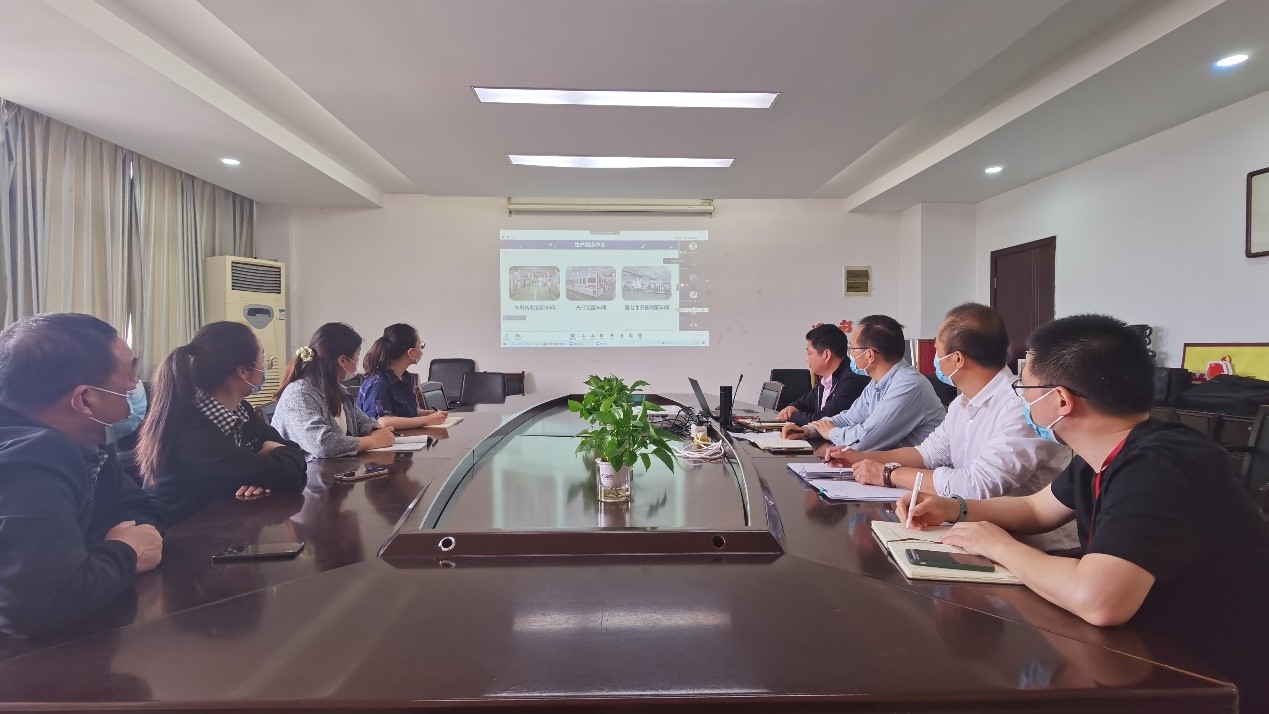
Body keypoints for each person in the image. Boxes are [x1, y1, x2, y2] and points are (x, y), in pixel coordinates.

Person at [898, 314, 1269, 711]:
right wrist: (955, 508)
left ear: (1061, 400)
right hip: (1146, 649)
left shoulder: (1159, 464)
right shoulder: (1102, 455)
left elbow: (1100, 601)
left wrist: (998, 546)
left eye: (1025, 388)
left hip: (1216, 676)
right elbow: (1035, 508)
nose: (1021, 399)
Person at [833, 303, 1075, 550]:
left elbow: (977, 486)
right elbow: (926, 454)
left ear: (957, 359)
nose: (935, 359)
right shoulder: (961, 404)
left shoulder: (1019, 406)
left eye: (937, 351)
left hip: (1038, 548)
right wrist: (861, 458)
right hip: (978, 536)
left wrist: (887, 474)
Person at [0, 313, 164, 637]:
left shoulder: (88, 440)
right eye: (129, 374)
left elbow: (145, 511)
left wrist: (90, 559)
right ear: (85, 400)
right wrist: (125, 553)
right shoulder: (32, 457)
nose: (136, 385)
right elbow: (43, 603)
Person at [134, 322, 308, 525]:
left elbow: (295, 456)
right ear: (243, 371)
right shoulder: (193, 433)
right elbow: (288, 475)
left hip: (226, 527)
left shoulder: (241, 409)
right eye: (263, 360)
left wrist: (265, 474)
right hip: (182, 537)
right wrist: (269, 460)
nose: (265, 367)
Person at [782, 315, 944, 451]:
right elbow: (849, 418)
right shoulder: (877, 383)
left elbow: (864, 440)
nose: (849, 354)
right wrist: (808, 430)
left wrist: (831, 433)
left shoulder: (908, 385)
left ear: (869, 355)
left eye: (852, 348)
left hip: (919, 474)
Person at [271, 323, 394, 458]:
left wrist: (374, 431)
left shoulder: (338, 390)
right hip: (307, 470)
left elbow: (363, 422)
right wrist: (372, 441)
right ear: (342, 360)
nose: (358, 361)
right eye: (357, 356)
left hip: (338, 468)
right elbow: (322, 444)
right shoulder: (298, 395)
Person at [356, 324, 449, 429]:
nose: (421, 350)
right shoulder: (377, 383)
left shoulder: (405, 377)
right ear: (411, 352)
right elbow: (383, 422)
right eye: (420, 345)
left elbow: (406, 412)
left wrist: (430, 414)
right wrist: (427, 420)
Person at [775, 324, 869, 426]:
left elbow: (825, 419)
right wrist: (791, 408)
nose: (807, 359)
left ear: (826, 355)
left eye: (809, 353)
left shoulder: (852, 379)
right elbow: (803, 403)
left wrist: (791, 416)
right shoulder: (826, 379)